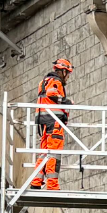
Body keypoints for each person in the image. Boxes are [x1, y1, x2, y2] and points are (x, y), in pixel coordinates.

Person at [31, 58, 73, 191]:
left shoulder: (43, 82)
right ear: (63, 71)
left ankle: (36, 182)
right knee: (54, 153)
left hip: (44, 122)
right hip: (54, 122)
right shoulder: (56, 81)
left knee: (44, 152)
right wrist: (66, 102)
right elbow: (52, 93)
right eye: (68, 73)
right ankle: (52, 185)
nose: (68, 77)